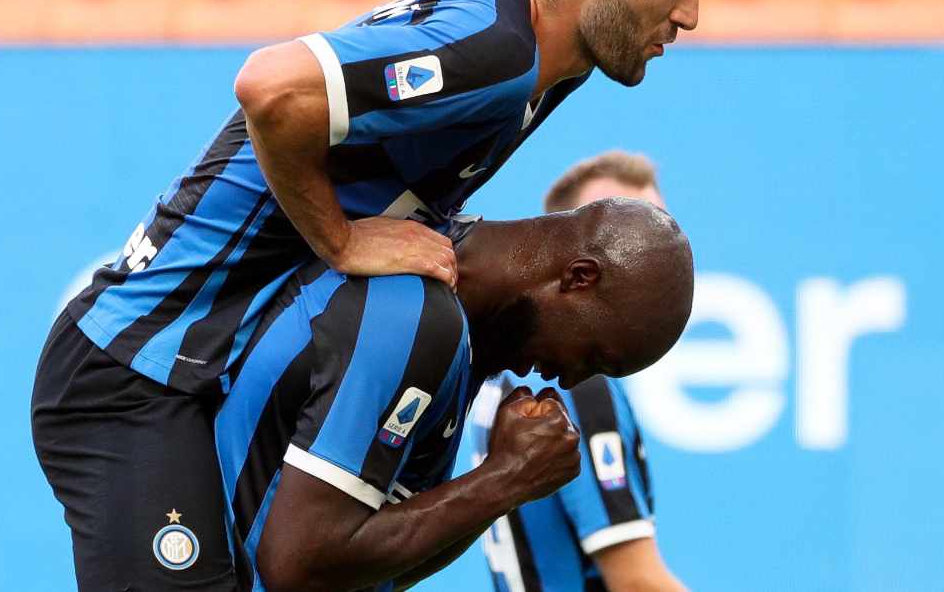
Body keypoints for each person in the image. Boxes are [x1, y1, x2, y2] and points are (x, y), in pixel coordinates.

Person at [33, 0, 719, 591]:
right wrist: (340, 241)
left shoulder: (549, 67)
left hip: (200, 368)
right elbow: (271, 86)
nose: (690, 13)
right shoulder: (498, 54)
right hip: (135, 365)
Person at [217, 198, 693, 591]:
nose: (570, 381)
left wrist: (504, 482)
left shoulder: (470, 343)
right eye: (593, 356)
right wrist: (507, 478)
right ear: (579, 277)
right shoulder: (419, 312)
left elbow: (371, 571)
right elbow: (297, 566)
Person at [469, 151, 687, 592]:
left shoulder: (509, 373)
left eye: (662, 224)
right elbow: (636, 582)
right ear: (579, 262)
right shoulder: (577, 387)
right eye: (632, 225)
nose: (656, 247)